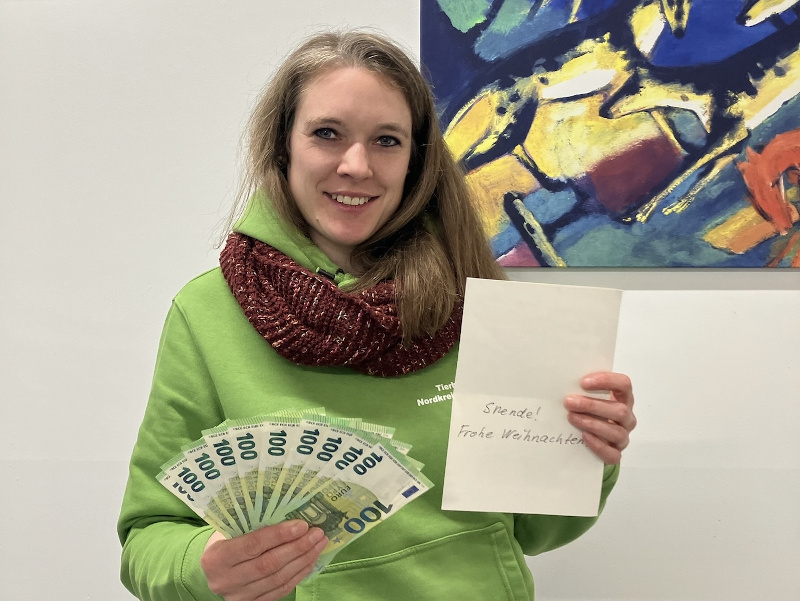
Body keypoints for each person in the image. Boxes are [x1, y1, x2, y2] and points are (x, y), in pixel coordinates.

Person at [117, 29, 637, 601]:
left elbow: (537, 531)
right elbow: (148, 537)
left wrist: (589, 452)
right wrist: (203, 567)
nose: (357, 165)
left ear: (416, 160)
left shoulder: (477, 299)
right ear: (283, 145)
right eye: (327, 134)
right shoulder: (206, 313)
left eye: (387, 140)